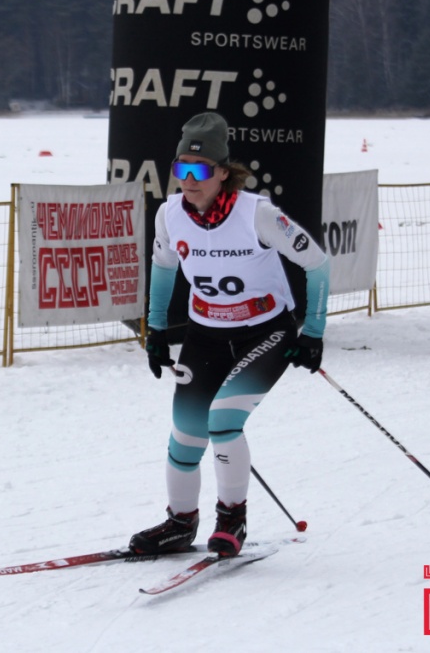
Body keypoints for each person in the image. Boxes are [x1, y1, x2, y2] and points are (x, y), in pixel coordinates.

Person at [130, 111, 330, 557]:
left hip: (266, 333)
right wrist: (156, 329)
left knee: (222, 420)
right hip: (206, 333)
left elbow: (317, 263)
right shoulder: (170, 214)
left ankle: (231, 519)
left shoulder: (257, 214)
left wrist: (313, 332)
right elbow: (163, 267)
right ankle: (180, 523)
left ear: (223, 172)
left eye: (200, 170)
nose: (189, 180)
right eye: (181, 168)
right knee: (186, 433)